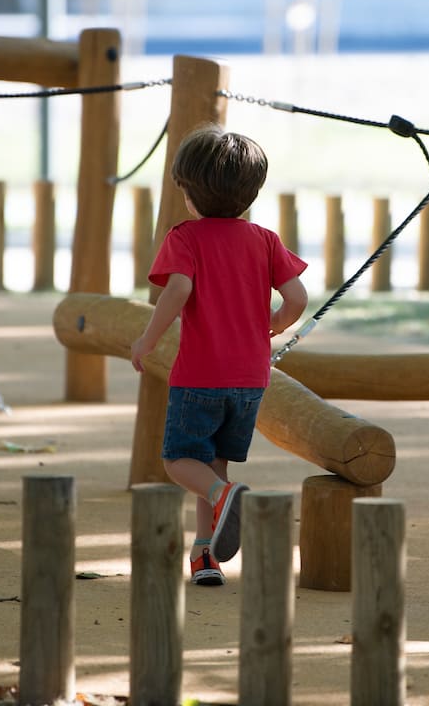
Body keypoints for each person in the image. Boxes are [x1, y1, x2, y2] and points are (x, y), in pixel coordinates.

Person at [130, 124, 308, 586]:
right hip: (250, 380)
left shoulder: (185, 237)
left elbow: (179, 288)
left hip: (200, 376)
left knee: (180, 463)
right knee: (214, 467)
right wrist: (277, 325)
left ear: (189, 194)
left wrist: (147, 340)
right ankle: (204, 555)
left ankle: (226, 499)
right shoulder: (265, 239)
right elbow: (297, 297)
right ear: (251, 192)